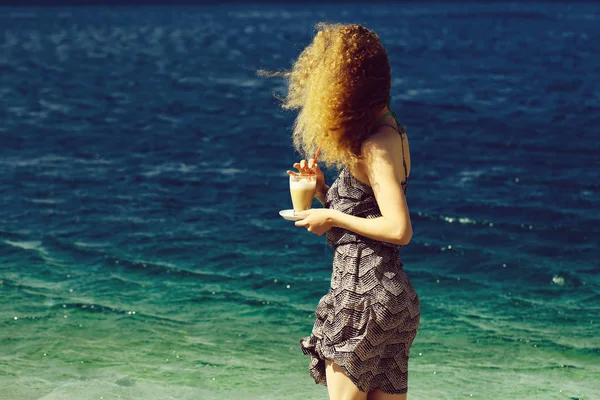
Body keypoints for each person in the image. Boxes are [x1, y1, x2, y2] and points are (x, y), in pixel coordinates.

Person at [263, 23, 420, 400]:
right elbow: (370, 212)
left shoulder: (376, 145)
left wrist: (330, 217)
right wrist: (323, 192)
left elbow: (399, 228)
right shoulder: (392, 130)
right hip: (391, 298)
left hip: (361, 296)